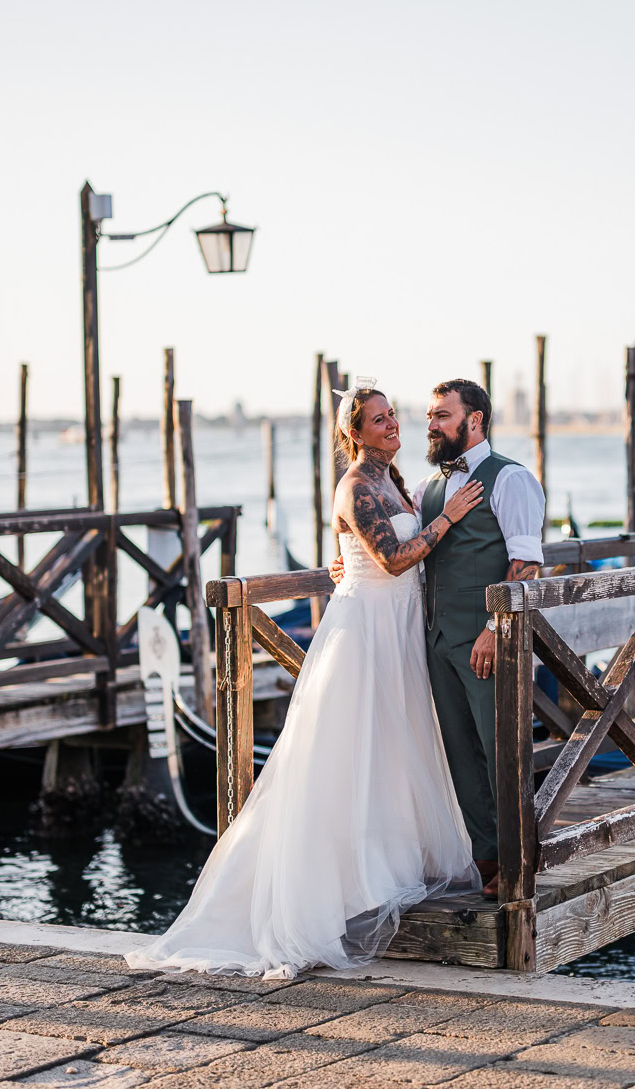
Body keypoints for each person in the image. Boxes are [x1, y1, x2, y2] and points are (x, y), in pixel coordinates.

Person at [126, 381, 484, 979]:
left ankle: (389, 860)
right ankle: (330, 885)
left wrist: (347, 556)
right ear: (355, 433)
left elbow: (363, 551)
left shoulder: (394, 481)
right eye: (379, 419)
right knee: (343, 752)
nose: (392, 425)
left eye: (394, 415)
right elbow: (394, 559)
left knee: (394, 747)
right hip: (365, 627)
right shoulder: (354, 485)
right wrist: (446, 519)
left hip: (397, 626)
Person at [332, 379, 545, 899]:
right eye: (428, 415)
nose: (428, 425)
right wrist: (346, 564)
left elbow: (527, 564)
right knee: (458, 754)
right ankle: (487, 860)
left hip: (485, 637)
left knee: (502, 751)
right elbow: (407, 553)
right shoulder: (425, 489)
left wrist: (496, 629)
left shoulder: (511, 478)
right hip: (430, 639)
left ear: (473, 420)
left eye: (441, 416)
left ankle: (522, 864)